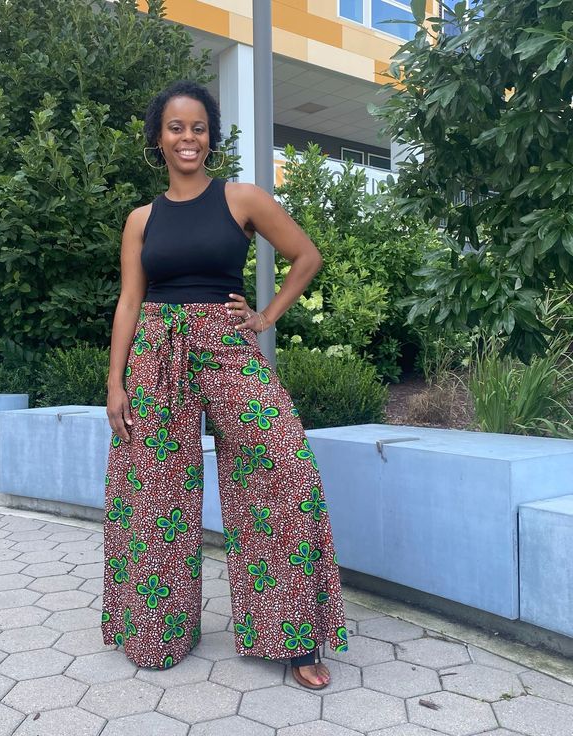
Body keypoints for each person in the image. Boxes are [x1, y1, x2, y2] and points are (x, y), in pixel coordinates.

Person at [102, 79, 347, 689]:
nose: (189, 138)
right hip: (156, 353)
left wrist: (264, 316)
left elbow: (306, 256)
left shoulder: (241, 198)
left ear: (211, 137)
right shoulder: (141, 218)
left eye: (199, 128)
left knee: (285, 470)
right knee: (152, 492)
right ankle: (157, 630)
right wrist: (115, 382)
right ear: (158, 138)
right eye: (176, 128)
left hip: (226, 346)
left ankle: (294, 636)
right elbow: (130, 299)